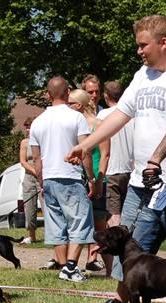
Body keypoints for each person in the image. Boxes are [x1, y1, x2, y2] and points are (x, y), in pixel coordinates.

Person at [66, 14, 166, 303]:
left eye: (142, 45)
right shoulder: (143, 75)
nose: (138, 51)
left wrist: (155, 158)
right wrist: (87, 144)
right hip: (141, 186)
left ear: (164, 42)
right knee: (128, 252)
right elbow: (120, 114)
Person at [30, 77, 96, 283]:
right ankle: (70, 267)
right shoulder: (76, 118)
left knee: (57, 224)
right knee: (80, 222)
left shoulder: (37, 122)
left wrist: (41, 181)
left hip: (49, 177)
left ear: (48, 95)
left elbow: (37, 159)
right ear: (68, 92)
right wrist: (91, 178)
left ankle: (63, 265)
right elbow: (84, 151)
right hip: (71, 175)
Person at [68, 88, 111, 274]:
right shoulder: (71, 125)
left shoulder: (98, 125)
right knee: (76, 224)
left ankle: (111, 271)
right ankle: (71, 267)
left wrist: (100, 179)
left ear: (79, 104)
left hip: (95, 178)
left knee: (100, 228)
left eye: (69, 103)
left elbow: (105, 155)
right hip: (76, 180)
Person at [97, 80, 134, 228]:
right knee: (129, 213)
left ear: (106, 96)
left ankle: (117, 247)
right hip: (131, 170)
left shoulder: (103, 115)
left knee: (114, 216)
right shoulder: (132, 115)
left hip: (112, 170)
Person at [18, 117, 41, 245]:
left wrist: (40, 173)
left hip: (42, 176)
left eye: (30, 126)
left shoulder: (42, 140)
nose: (27, 129)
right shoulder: (24, 142)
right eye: (26, 127)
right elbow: (23, 161)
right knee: (29, 207)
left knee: (46, 205)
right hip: (29, 177)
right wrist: (34, 171)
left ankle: (52, 236)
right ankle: (32, 236)